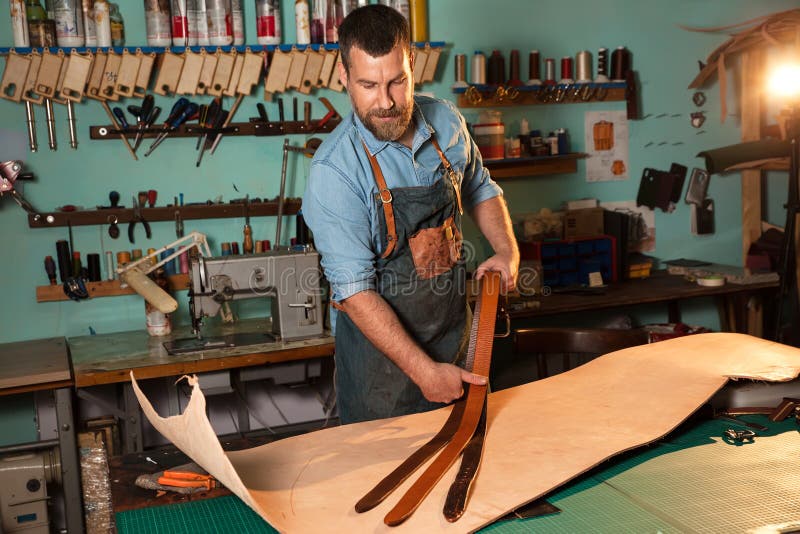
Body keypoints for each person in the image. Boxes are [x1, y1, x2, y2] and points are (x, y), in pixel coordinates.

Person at [302, 4, 519, 424]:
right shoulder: (335, 173)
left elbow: (479, 186)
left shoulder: (447, 121)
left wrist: (506, 250)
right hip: (382, 381)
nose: (385, 102)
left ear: (412, 65)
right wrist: (424, 373)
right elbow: (354, 292)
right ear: (343, 77)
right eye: (368, 85)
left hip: (457, 346)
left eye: (397, 82)